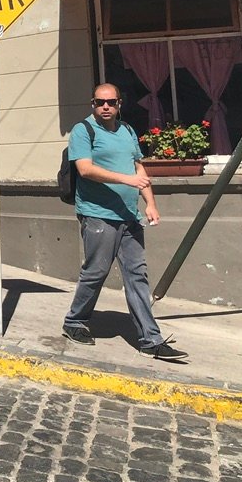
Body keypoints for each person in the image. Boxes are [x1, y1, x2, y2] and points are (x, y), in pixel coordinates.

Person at [61, 84, 187, 361]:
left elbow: (138, 168)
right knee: (96, 271)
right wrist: (127, 180)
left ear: (120, 103)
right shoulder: (84, 130)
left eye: (111, 102)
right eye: (99, 102)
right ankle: (75, 321)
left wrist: (150, 203)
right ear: (92, 103)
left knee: (137, 275)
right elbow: (85, 169)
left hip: (129, 214)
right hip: (98, 213)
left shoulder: (128, 131)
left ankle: (150, 340)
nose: (105, 107)